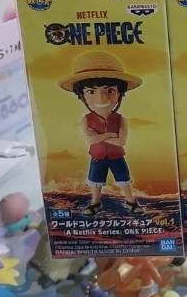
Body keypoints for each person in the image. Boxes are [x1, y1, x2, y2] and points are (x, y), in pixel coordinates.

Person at [59, 51, 143, 216]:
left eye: (110, 91)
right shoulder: (86, 119)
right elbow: (91, 141)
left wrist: (100, 137)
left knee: (124, 180)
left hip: (117, 157)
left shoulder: (121, 119)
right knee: (96, 181)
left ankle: (130, 201)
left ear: (119, 93)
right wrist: (109, 135)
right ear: (82, 95)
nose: (101, 98)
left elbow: (121, 142)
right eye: (91, 91)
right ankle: (95, 203)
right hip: (97, 157)